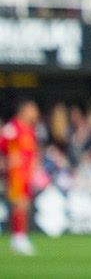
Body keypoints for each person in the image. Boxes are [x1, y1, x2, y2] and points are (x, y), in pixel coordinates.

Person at [2, 99, 40, 256]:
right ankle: (19, 238)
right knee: (20, 204)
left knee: (24, 205)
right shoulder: (13, 127)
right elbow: (3, 145)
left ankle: (18, 238)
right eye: (32, 109)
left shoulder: (29, 129)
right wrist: (6, 160)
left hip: (26, 174)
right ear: (24, 110)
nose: (35, 113)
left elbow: (32, 152)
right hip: (16, 174)